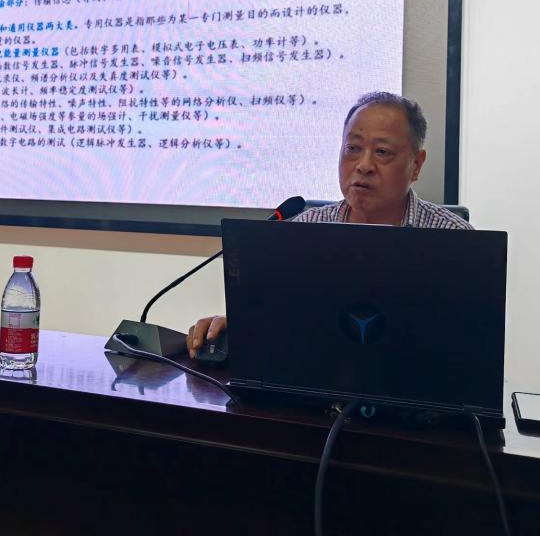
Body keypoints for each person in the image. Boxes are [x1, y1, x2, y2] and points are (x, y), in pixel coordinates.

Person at [187, 91, 472, 358]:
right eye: (353, 148)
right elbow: (272, 320)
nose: (364, 165)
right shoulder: (301, 232)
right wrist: (238, 327)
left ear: (417, 165)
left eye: (382, 152)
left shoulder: (455, 241)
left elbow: (469, 345)